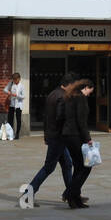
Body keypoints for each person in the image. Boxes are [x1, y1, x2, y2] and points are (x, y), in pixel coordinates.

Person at [25, 73, 75, 205]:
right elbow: (61, 119)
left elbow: (46, 117)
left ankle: (71, 194)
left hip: (54, 136)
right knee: (48, 168)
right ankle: (27, 194)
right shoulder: (63, 97)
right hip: (59, 138)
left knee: (67, 164)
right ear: (67, 85)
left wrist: (46, 135)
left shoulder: (52, 94)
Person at [60, 78, 96, 209]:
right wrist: (88, 139)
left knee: (78, 166)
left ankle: (74, 200)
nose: (89, 95)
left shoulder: (69, 96)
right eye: (89, 92)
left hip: (67, 135)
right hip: (75, 135)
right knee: (86, 166)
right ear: (86, 87)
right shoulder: (80, 98)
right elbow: (82, 121)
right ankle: (69, 193)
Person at [3, 72, 26, 140]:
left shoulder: (22, 86)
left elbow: (24, 96)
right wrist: (9, 92)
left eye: (16, 80)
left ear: (19, 79)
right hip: (12, 104)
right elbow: (4, 89)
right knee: (10, 119)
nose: (15, 81)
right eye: (14, 80)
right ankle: (10, 134)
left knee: (18, 120)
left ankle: (17, 134)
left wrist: (17, 95)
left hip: (18, 105)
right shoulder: (11, 83)